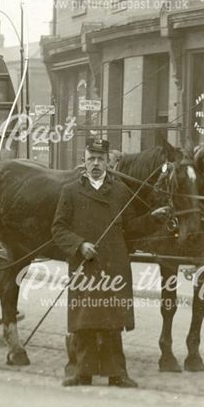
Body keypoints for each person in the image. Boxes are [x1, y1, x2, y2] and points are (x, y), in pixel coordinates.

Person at [52, 137, 169, 388]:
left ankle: (118, 374)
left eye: (100, 159)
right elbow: (58, 228)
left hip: (113, 265)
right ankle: (82, 373)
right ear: (84, 160)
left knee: (113, 321)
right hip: (86, 265)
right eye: (91, 158)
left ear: (107, 162)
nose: (95, 163)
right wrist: (79, 245)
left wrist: (153, 218)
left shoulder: (120, 191)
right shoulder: (70, 192)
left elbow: (131, 227)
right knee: (85, 321)